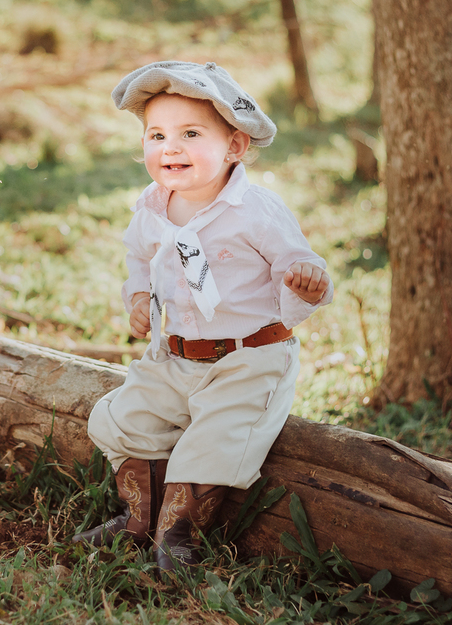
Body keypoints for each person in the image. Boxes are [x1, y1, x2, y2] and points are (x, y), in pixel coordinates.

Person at [72, 60, 333, 574]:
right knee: (125, 417)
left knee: (218, 437)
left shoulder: (256, 210)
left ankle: (178, 534)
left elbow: (298, 264)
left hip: (249, 356)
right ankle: (138, 518)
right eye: (158, 135)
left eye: (190, 134)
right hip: (176, 355)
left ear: (234, 145)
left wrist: (307, 281)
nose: (170, 147)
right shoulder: (152, 207)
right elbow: (139, 257)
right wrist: (139, 298)